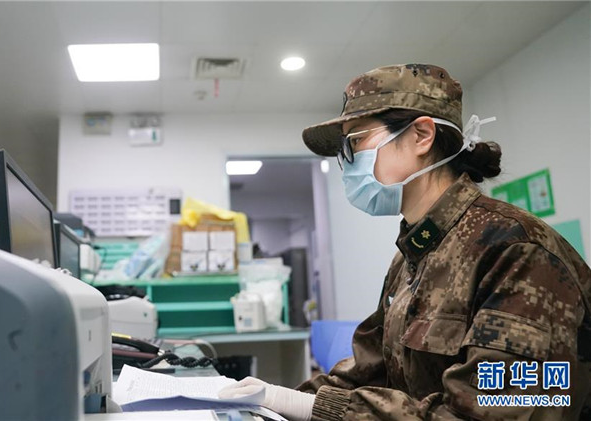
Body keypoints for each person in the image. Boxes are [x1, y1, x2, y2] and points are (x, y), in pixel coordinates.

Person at [219, 64, 591, 420]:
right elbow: (368, 370)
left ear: (421, 136)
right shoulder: (413, 255)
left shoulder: (515, 250)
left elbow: (485, 414)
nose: (347, 164)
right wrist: (275, 402)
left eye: (356, 142)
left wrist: (319, 408)